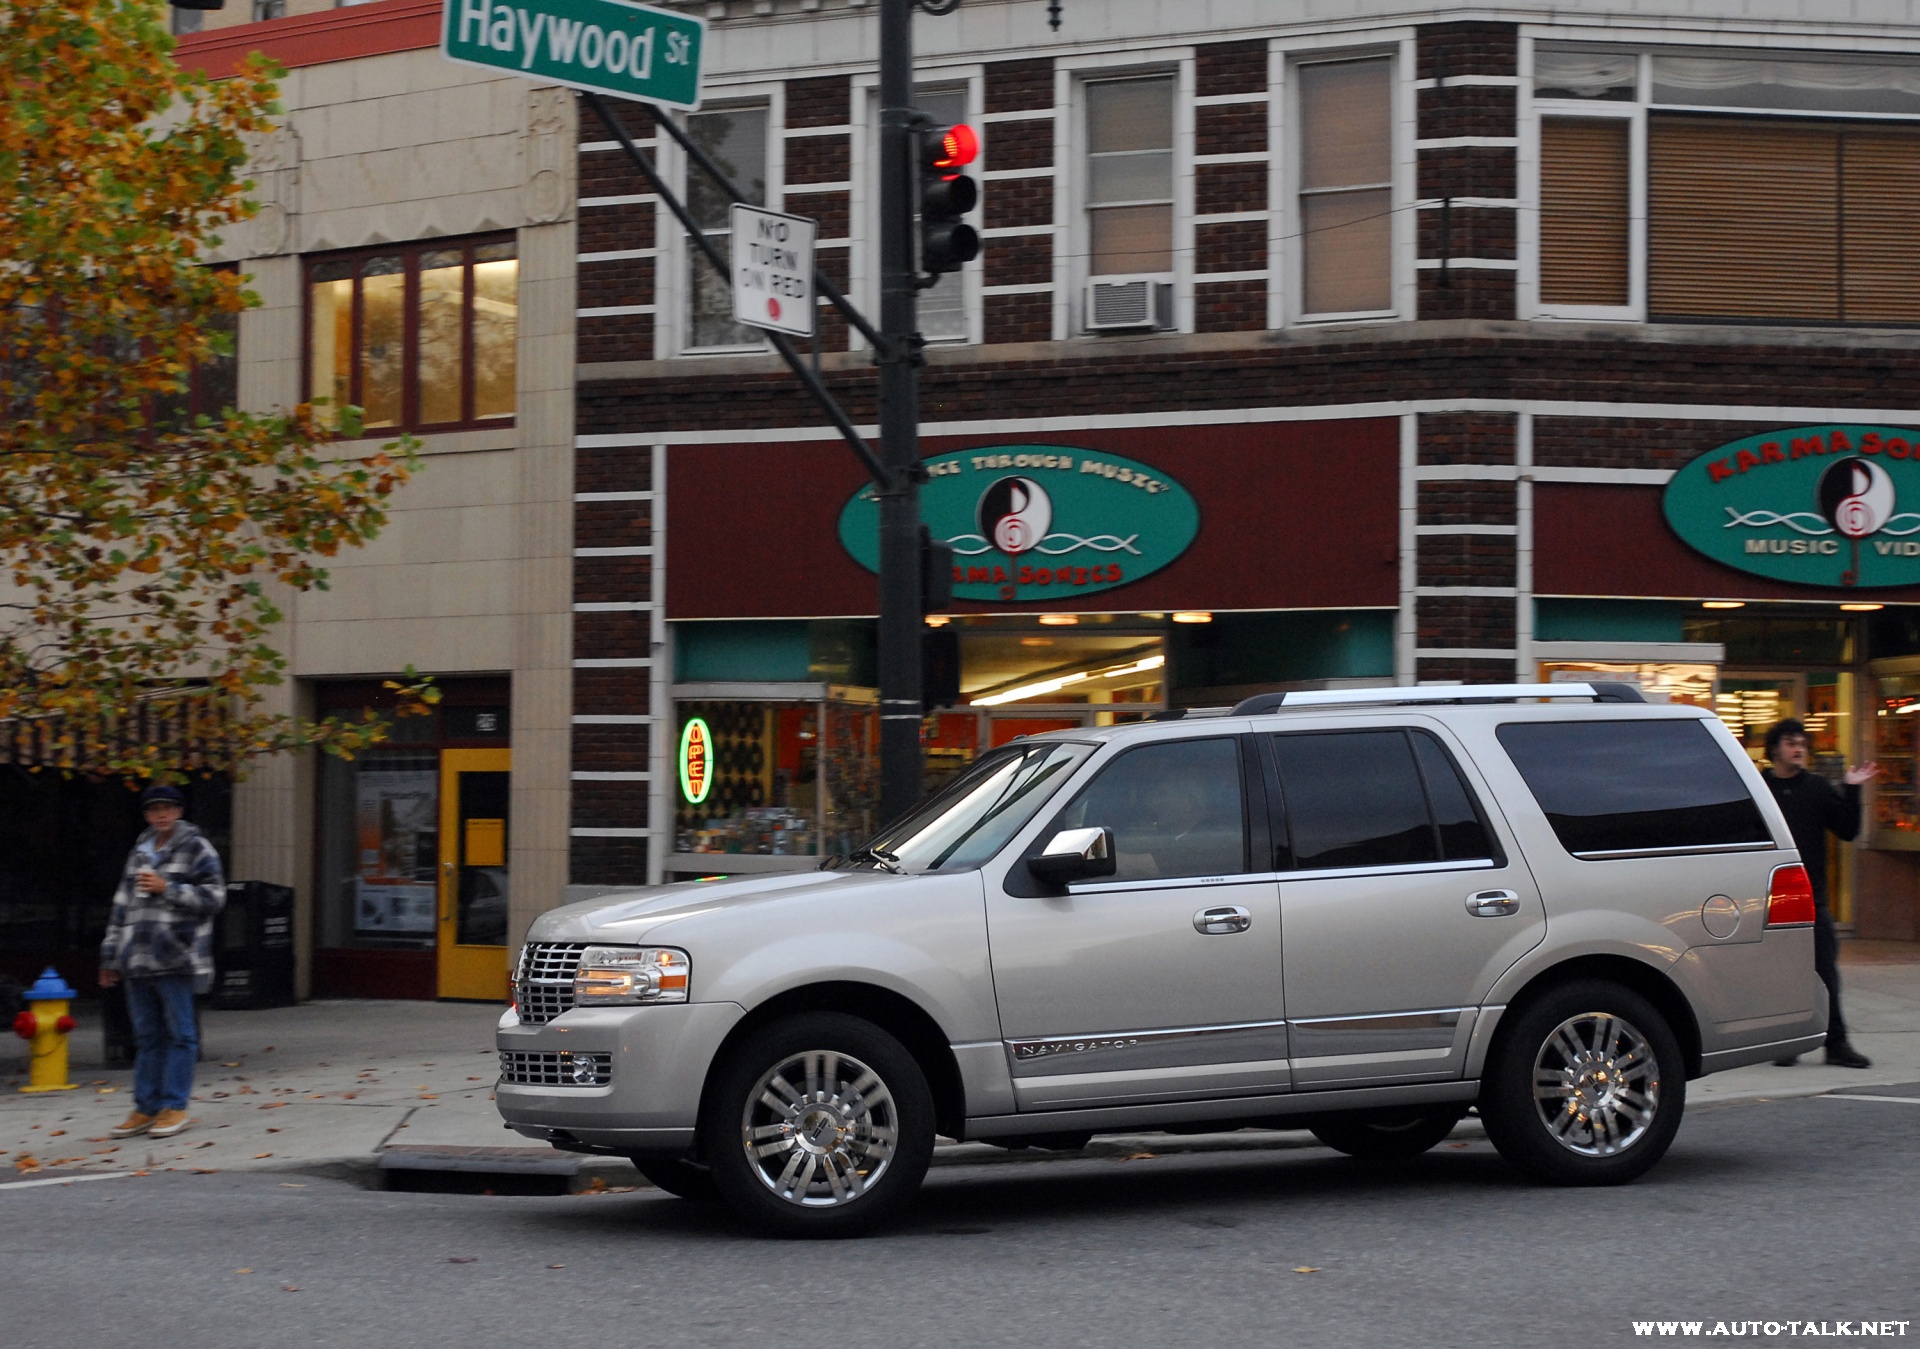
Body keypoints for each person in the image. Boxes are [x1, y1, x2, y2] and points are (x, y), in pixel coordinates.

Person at [99, 784, 226, 1139]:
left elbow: (214, 897)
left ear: (180, 811)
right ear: (146, 815)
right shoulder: (138, 851)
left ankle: (175, 1106)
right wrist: (110, 956)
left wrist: (166, 887)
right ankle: (145, 1108)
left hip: (176, 957)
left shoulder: (197, 847)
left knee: (181, 1035)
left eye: (168, 808)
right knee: (147, 1037)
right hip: (136, 958)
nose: (162, 814)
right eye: (155, 809)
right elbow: (121, 906)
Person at [1761, 718, 1876, 1069]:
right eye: (1791, 742)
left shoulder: (1817, 787)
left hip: (1812, 898)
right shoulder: (1759, 788)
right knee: (1781, 973)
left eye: (1803, 744)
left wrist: (1852, 789)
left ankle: (1836, 1043)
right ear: (1775, 749)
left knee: (1825, 972)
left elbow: (1847, 830)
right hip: (1769, 898)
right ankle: (1787, 1043)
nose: (1798, 749)